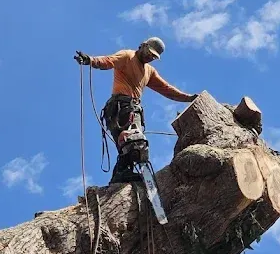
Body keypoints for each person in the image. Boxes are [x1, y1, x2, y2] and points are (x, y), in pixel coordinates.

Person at [74, 37, 198, 183]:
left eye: (153, 56)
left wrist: (188, 98)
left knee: (128, 145)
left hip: (125, 109)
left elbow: (166, 88)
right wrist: (90, 60)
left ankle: (122, 175)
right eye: (149, 53)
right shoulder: (128, 56)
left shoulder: (149, 71)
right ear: (143, 45)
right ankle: (132, 175)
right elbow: (108, 60)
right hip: (122, 107)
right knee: (135, 141)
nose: (150, 57)